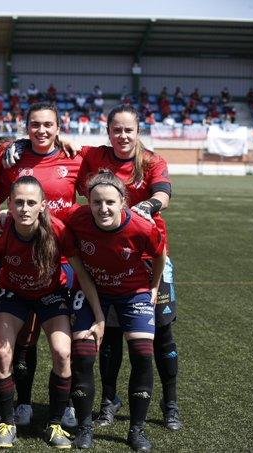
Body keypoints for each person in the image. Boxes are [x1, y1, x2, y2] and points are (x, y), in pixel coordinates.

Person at [0, 176, 102, 449]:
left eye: (31, 203)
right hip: (14, 297)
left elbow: (81, 274)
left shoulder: (57, 230)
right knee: (2, 355)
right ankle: (7, 422)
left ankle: (55, 423)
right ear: (9, 205)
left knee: (63, 353)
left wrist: (100, 316)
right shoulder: (1, 233)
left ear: (42, 206)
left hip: (51, 296)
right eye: (19, 202)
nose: (24, 208)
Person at [76, 104, 182, 433]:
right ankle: (109, 399)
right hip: (106, 254)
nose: (122, 136)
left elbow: (163, 193)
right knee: (110, 334)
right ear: (108, 132)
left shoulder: (151, 160)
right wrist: (19, 145)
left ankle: (170, 401)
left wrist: (145, 207)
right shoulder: (94, 156)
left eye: (128, 130)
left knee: (161, 334)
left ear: (138, 133)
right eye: (116, 130)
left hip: (149, 255)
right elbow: (56, 144)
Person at [64, 169, 166, 451]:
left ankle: (137, 429)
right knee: (83, 355)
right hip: (92, 290)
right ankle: (85, 428)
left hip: (133, 294)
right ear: (88, 202)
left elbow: (160, 257)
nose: (103, 208)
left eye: (110, 202)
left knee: (143, 356)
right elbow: (82, 274)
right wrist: (98, 316)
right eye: (96, 202)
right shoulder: (77, 220)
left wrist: (154, 289)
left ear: (123, 201)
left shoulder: (142, 227)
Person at [0, 102, 83, 428]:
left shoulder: (76, 156)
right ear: (26, 127)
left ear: (59, 127)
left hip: (66, 260)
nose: (42, 131)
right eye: (35, 125)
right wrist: (12, 145)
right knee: (26, 337)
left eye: (49, 125)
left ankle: (71, 402)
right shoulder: (13, 160)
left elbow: (117, 151)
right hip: (23, 258)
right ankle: (23, 403)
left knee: (70, 339)